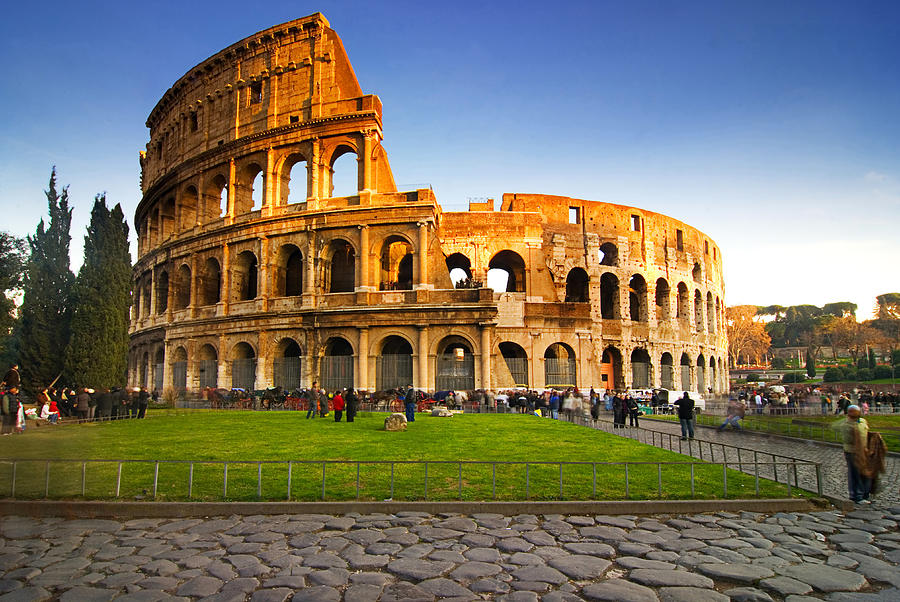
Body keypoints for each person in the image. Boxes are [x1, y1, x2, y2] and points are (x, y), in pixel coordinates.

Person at [833, 405, 872, 504]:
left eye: (855, 411)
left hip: (864, 451)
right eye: (851, 412)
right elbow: (848, 440)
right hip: (852, 452)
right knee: (855, 474)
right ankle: (856, 496)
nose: (853, 413)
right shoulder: (847, 425)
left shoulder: (862, 421)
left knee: (866, 473)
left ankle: (865, 494)